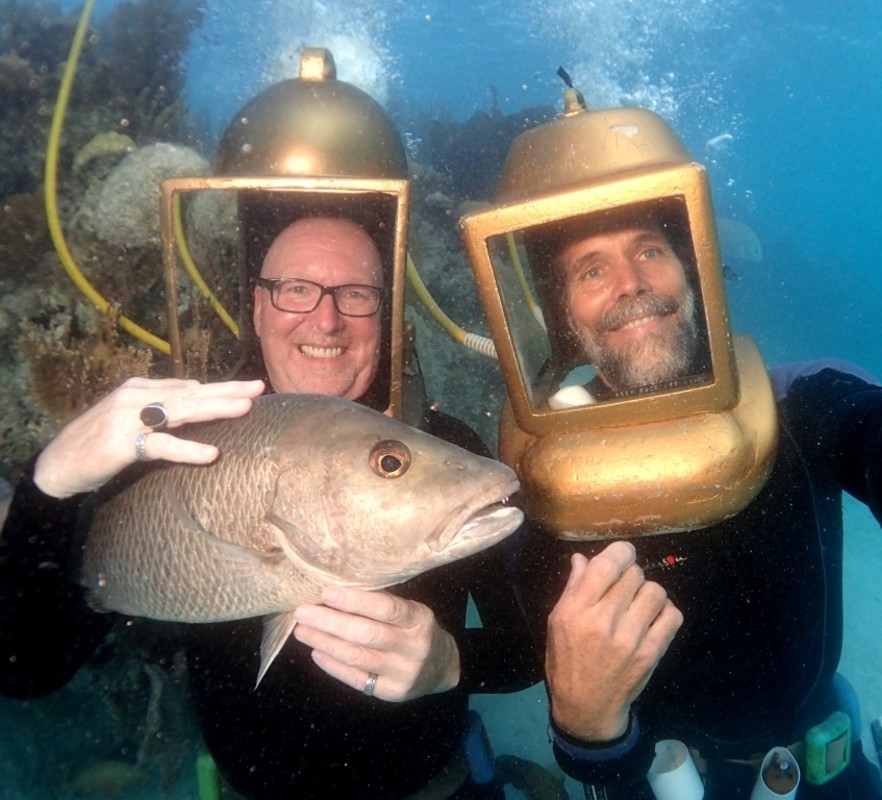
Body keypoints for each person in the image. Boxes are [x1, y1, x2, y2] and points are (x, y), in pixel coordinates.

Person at [0, 51, 539, 800]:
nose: (325, 319)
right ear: (256, 308)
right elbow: (25, 668)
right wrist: (49, 486)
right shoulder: (171, 445)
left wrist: (450, 665)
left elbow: (525, 653)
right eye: (294, 290)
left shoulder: (451, 450)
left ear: (386, 317)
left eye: (356, 294)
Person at [459, 90, 882, 798]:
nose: (632, 285)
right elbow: (570, 710)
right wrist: (589, 730)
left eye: (649, 250)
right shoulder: (534, 480)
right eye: (591, 269)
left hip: (826, 769)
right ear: (563, 316)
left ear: (694, 269)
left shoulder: (801, 401)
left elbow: (867, 430)